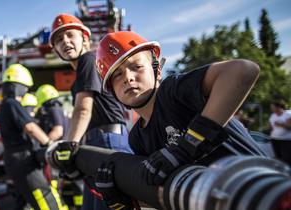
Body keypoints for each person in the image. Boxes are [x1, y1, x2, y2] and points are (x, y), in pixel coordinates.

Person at [86, 31, 266, 209]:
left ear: (157, 71)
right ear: (112, 92)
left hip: (264, 193)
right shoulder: (137, 138)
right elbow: (162, 193)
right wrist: (124, 202)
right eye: (117, 75)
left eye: (136, 66)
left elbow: (243, 70)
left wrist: (188, 146)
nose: (128, 77)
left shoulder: (173, 93)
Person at [49, 13, 133, 210]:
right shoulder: (84, 68)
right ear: (55, 49)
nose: (65, 42)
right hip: (100, 141)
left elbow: (83, 109)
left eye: (70, 35)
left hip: (107, 142)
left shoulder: (88, 59)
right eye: (59, 39)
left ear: (85, 39)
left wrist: (68, 147)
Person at [0, 64, 67, 210]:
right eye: (25, 88)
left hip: (16, 160)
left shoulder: (5, 105)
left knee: (34, 199)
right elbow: (30, 127)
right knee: (45, 199)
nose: (25, 92)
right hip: (23, 161)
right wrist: (49, 143)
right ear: (19, 86)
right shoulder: (12, 103)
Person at [35, 84, 83, 209]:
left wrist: (43, 143)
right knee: (74, 184)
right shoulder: (60, 108)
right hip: (63, 152)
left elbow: (58, 131)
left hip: (56, 153)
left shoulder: (53, 108)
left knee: (53, 184)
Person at [269, 100, 291, 164]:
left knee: (287, 159)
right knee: (278, 159)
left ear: (278, 107)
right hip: (275, 139)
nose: (271, 109)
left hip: (285, 140)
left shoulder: (287, 114)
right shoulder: (273, 115)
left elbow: (289, 127)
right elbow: (271, 127)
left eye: (272, 107)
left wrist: (281, 124)